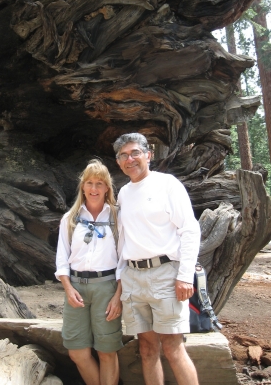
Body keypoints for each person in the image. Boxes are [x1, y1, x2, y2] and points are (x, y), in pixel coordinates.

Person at [113, 133, 201, 385]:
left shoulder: (167, 185)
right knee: (147, 349)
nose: (130, 159)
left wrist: (184, 276)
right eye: (124, 155)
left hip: (165, 275)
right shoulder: (124, 193)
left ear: (148, 155)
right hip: (133, 277)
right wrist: (122, 276)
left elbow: (190, 230)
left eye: (135, 153)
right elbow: (123, 238)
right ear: (119, 162)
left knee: (173, 348)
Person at [55, 159, 123, 385]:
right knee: (77, 351)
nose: (94, 189)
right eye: (90, 183)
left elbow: (125, 260)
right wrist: (67, 288)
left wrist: (118, 296)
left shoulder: (116, 217)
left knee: (106, 351)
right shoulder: (70, 218)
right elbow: (62, 258)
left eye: (100, 184)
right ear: (83, 186)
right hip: (75, 288)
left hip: (107, 288)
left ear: (107, 188)